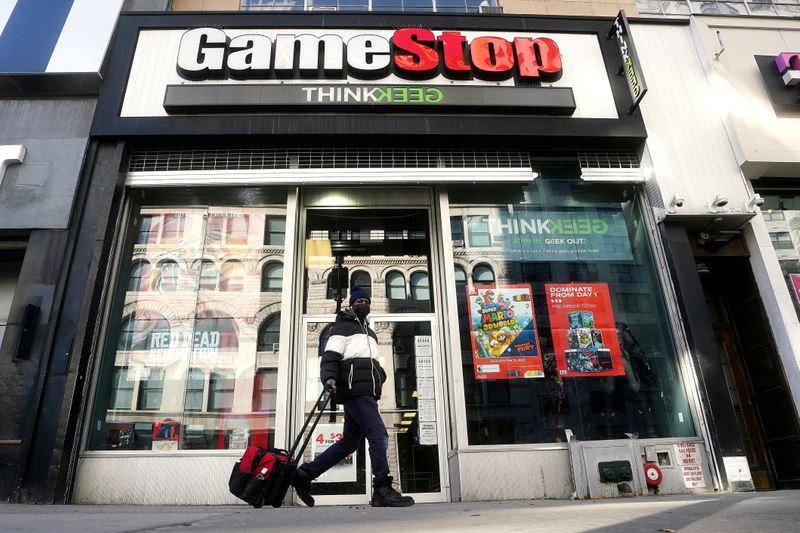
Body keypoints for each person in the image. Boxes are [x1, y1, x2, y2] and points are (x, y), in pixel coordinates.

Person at [290, 286, 415, 508]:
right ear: (352, 304)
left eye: (366, 301)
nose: (363, 304)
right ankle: (382, 488)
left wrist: (380, 375)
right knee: (378, 435)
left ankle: (304, 474)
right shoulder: (343, 327)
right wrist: (328, 378)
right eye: (359, 302)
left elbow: (371, 361)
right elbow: (330, 357)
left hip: (367, 391)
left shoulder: (371, 332)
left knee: (348, 443)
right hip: (354, 390)